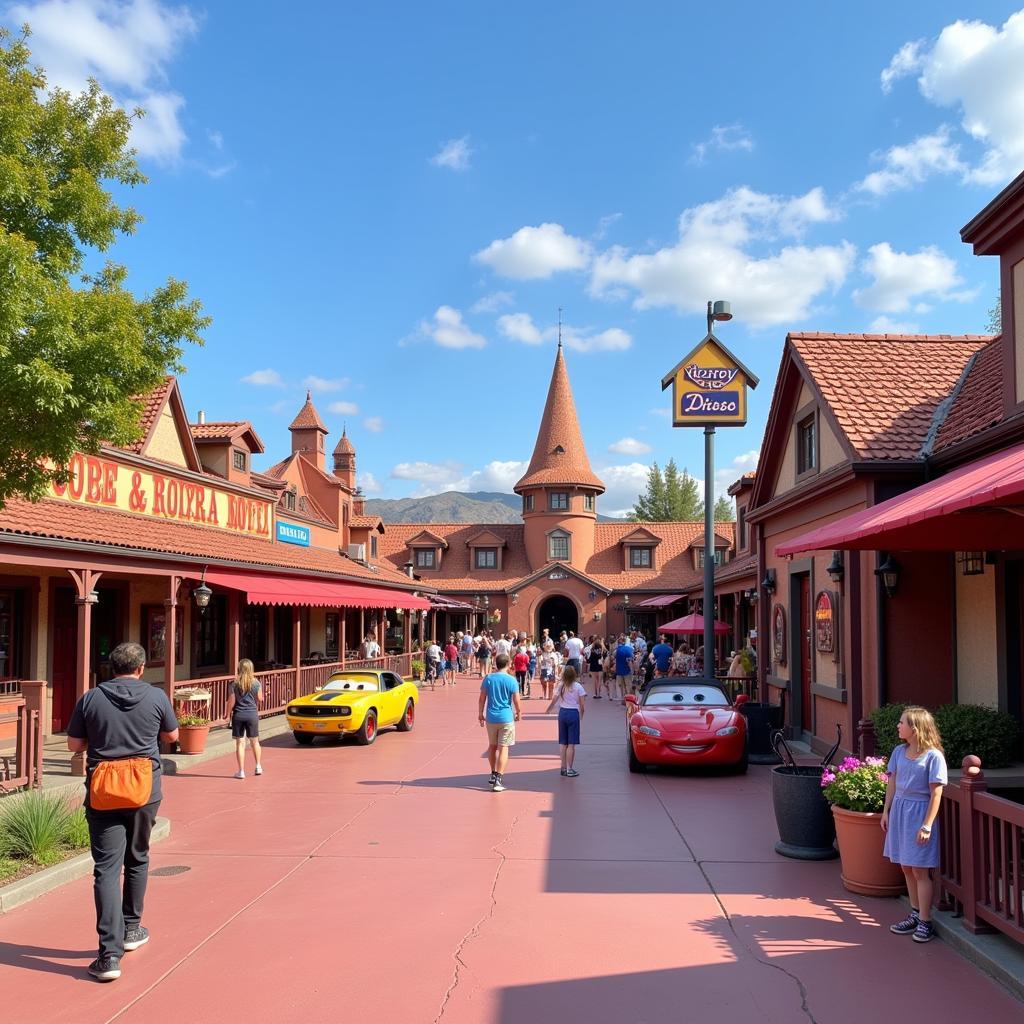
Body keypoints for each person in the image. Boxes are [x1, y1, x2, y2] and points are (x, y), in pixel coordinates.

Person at [66, 642, 179, 982]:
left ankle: (109, 955)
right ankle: (132, 929)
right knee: (138, 857)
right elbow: (172, 735)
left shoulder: (91, 698)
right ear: (141, 668)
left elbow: (74, 745)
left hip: (103, 789)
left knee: (106, 869)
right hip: (144, 788)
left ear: (111, 668)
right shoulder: (156, 697)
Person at [882, 706, 948, 943]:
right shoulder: (899, 751)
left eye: (902, 723)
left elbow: (936, 793)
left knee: (920, 869)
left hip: (919, 813)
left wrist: (927, 825)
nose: (898, 726)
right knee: (906, 867)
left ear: (915, 727)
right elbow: (892, 782)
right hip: (899, 811)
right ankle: (914, 913)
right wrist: (886, 811)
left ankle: (926, 920)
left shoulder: (933, 756)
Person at [478, 652, 522, 792]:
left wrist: (480, 713)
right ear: (509, 664)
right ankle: (499, 778)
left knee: (492, 746)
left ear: (496, 664)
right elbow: (516, 700)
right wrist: (519, 712)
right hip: (506, 717)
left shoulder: (488, 678)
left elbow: (482, 698)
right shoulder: (512, 680)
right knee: (504, 747)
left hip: (491, 717)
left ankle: (492, 773)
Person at [224, 658, 263, 779]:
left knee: (240, 743)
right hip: (252, 714)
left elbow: (231, 701)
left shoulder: (234, 684)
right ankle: (258, 766)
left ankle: (241, 771)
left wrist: (227, 714)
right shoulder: (256, 683)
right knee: (255, 742)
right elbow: (260, 699)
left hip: (239, 715)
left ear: (239, 669)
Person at [547, 664, 586, 777]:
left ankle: (563, 767)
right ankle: (570, 768)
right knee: (571, 744)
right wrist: (582, 714)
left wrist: (549, 709)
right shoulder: (578, 687)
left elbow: (555, 699)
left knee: (563, 743)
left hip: (563, 712)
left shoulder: (561, 685)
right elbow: (582, 704)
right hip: (573, 713)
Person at [614, 633, 634, 703]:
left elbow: (613, 658)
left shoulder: (617, 650)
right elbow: (629, 662)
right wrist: (632, 670)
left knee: (621, 686)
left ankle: (623, 699)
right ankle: (628, 700)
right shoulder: (629, 650)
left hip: (619, 671)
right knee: (628, 686)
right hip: (626, 671)